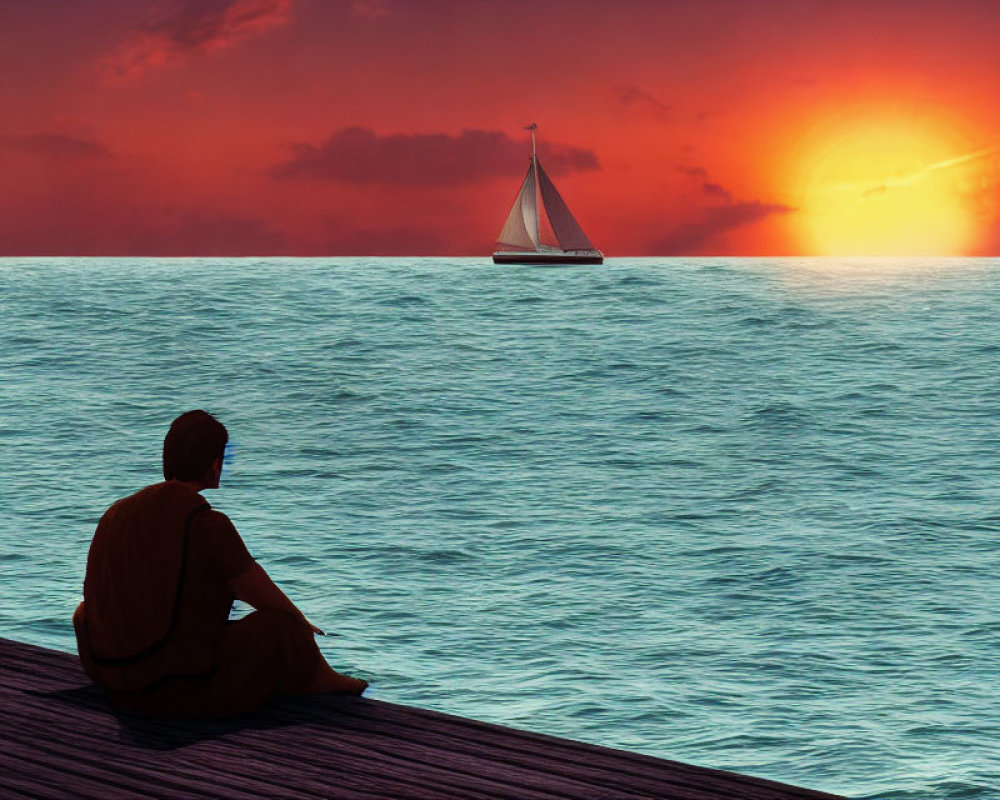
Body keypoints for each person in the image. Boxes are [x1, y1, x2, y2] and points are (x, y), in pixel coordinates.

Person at [73, 410, 367, 718]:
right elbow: (263, 595)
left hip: (112, 678)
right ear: (214, 463)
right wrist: (301, 627)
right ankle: (322, 678)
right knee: (281, 628)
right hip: (171, 688)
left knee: (83, 613)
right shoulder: (206, 524)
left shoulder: (116, 514)